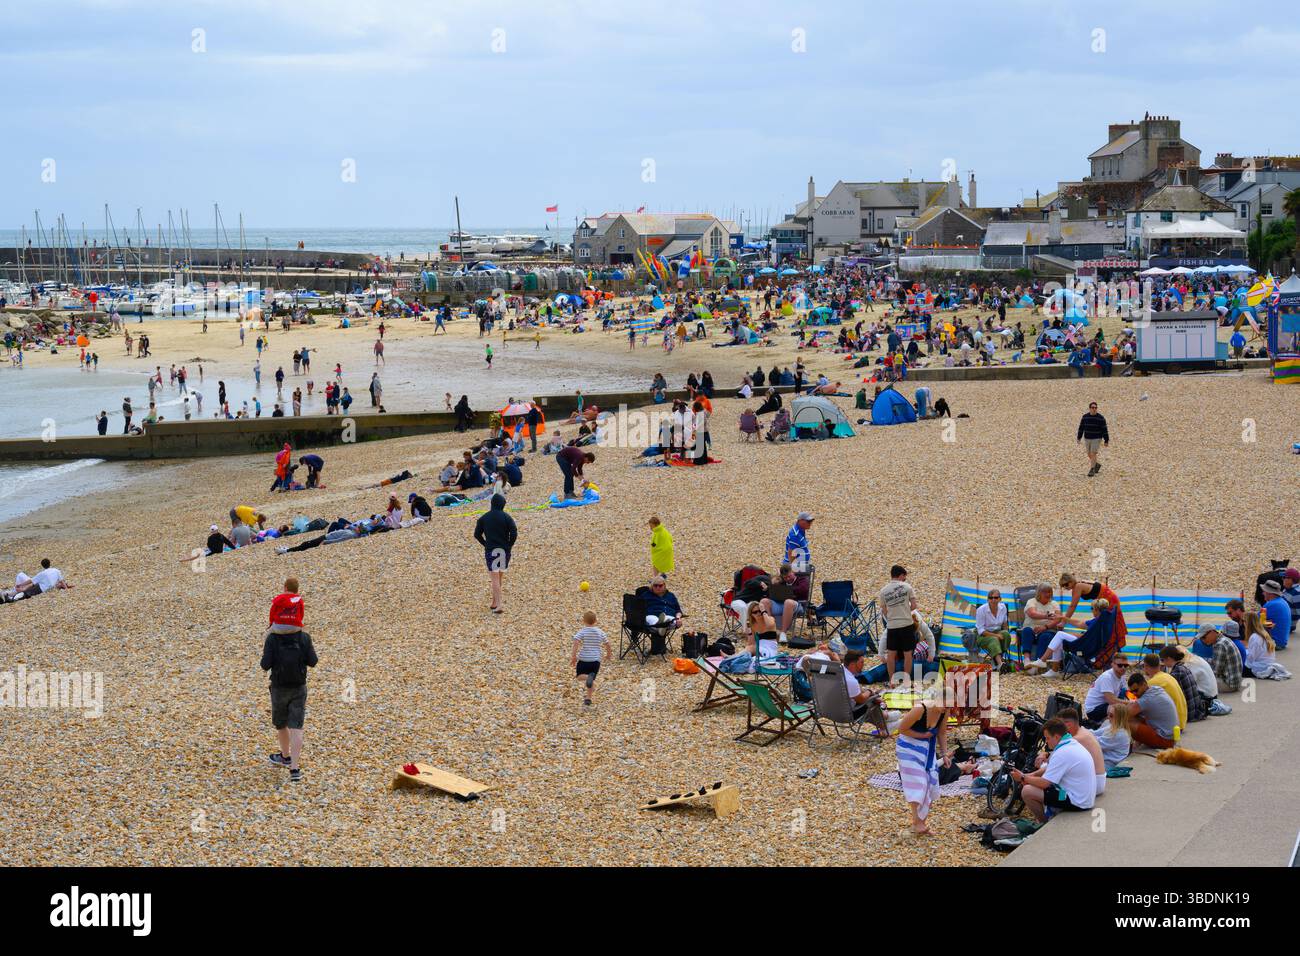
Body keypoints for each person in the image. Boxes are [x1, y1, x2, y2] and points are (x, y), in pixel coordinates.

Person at [260, 615, 318, 784]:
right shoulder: (304, 637)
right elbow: (313, 661)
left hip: (279, 688)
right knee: (296, 726)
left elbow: (265, 665)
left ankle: (284, 756)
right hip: (299, 687)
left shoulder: (272, 638)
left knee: (281, 723)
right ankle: (294, 768)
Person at [1013, 717, 1097, 823]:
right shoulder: (1070, 743)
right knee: (1034, 782)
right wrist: (1031, 775)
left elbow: (1045, 784)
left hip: (1077, 801)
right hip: (1084, 797)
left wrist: (1023, 777)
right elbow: (1051, 767)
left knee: (1027, 791)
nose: (1046, 743)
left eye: (1047, 738)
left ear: (1056, 737)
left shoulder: (1062, 753)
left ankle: (1043, 823)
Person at [895, 690, 949, 835]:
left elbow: (942, 732)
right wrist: (922, 735)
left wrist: (944, 755)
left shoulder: (944, 710)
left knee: (930, 782)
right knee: (919, 783)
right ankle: (917, 822)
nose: (947, 707)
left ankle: (921, 823)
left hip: (927, 748)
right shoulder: (920, 709)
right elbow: (901, 729)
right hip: (908, 747)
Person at [1058, 572, 1127, 667]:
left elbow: (1072, 606)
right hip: (1109, 598)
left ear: (1071, 581)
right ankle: (1111, 659)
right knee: (1111, 629)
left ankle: (1108, 659)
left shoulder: (1078, 586)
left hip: (1108, 601)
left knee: (1112, 631)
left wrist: (1063, 622)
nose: (1066, 587)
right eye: (1063, 586)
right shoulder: (1081, 582)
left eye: (1066, 585)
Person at [473, 493, 517, 614]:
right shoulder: (507, 517)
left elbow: (477, 535)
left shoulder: (483, 518)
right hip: (504, 551)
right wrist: (509, 545)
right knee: (499, 578)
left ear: (491, 504)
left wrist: (485, 544)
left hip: (492, 550)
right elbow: (514, 533)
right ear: (503, 505)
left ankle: (499, 604)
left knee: (495, 579)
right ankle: (494, 602)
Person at [1165, 642, 1231, 716]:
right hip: (1213, 695)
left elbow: (1185, 685)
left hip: (1206, 698)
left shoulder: (1187, 665)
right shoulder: (1196, 659)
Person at [1056, 707, 1107, 796]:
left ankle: (1057, 805)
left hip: (1095, 783)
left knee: (1056, 776)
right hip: (1098, 779)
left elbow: (1056, 760)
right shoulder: (1083, 731)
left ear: (1068, 724)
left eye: (1060, 725)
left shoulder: (1077, 739)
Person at [879, 564, 918, 680]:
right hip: (906, 624)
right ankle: (906, 679)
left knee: (891, 654)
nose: (904, 580)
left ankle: (892, 680)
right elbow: (914, 605)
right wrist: (905, 611)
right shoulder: (907, 587)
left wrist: (892, 616)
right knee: (907, 654)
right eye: (904, 577)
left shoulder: (883, 591)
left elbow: (884, 610)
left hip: (892, 625)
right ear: (901, 575)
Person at [1125, 672, 1178, 749]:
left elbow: (1123, 715)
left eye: (1136, 690)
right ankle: (1136, 745)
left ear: (1144, 684)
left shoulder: (1146, 699)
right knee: (1137, 717)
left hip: (1166, 740)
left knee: (1125, 723)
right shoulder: (1156, 689)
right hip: (1172, 736)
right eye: (1131, 692)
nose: (1134, 694)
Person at [1020, 583, 1067, 670]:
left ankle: (1037, 663)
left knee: (1045, 636)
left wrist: (1045, 627)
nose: (1048, 594)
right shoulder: (1031, 601)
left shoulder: (1054, 604)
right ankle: (1027, 660)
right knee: (1026, 631)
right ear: (1039, 593)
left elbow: (1058, 619)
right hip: (1031, 628)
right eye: (1045, 592)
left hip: (1048, 629)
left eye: (1049, 592)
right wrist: (1047, 616)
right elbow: (1032, 613)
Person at [571, 610, 611, 707]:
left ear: (583, 621)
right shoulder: (600, 632)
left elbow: (576, 642)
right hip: (595, 660)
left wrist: (573, 656)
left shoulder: (582, 631)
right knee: (591, 680)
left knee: (580, 676)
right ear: (596, 621)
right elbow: (607, 643)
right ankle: (588, 698)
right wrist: (608, 654)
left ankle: (588, 678)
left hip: (584, 659)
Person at [1158, 645, 1207, 722]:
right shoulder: (1183, 667)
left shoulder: (1176, 672)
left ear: (1169, 659)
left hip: (1188, 713)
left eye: (1162, 660)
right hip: (1197, 711)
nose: (1162, 663)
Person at [1141, 652, 1187, 732]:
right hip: (1182, 721)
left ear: (1146, 666)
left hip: (1174, 726)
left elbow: (1141, 705)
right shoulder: (1167, 676)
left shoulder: (1152, 683)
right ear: (1160, 665)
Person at [1193, 624, 1243, 695]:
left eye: (1204, 637)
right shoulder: (1223, 639)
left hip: (1229, 684)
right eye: (1201, 638)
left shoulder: (1220, 645)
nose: (1202, 640)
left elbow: (1215, 672)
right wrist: (1199, 660)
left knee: (1197, 681)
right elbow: (1216, 661)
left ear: (1212, 632)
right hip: (1234, 681)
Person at [1242, 610, 1292, 680]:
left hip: (1259, 667)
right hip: (1267, 664)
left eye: (1244, 621)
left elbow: (1251, 659)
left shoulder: (1254, 637)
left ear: (1247, 623)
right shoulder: (1264, 634)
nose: (1243, 623)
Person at [1083, 653, 1129, 725]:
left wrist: (1138, 700)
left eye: (1126, 665)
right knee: (1119, 709)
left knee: (1124, 692)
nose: (1123, 668)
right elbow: (1112, 701)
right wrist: (1131, 703)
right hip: (1094, 710)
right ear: (1112, 664)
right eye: (1120, 665)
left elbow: (1127, 692)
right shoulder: (1107, 677)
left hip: (1106, 703)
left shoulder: (1121, 674)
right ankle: (1107, 724)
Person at [972, 589, 1011, 667]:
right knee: (994, 639)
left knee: (1006, 635)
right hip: (982, 635)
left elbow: (1005, 623)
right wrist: (996, 635)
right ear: (987, 599)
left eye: (996, 598)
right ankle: (1000, 664)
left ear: (1000, 599)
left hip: (997, 631)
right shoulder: (981, 610)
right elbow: (981, 631)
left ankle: (997, 657)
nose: (993, 600)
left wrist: (1005, 632)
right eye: (990, 598)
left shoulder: (1003, 607)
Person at [1076, 401, 1110, 477]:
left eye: (1095, 408)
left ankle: (1092, 469)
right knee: (1089, 454)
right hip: (1087, 438)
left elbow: (1104, 429)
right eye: (1092, 407)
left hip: (1097, 438)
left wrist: (1106, 440)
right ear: (1089, 408)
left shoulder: (1101, 418)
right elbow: (1081, 428)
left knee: (1093, 453)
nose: (1094, 409)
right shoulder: (1085, 417)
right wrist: (1079, 437)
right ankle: (1096, 465)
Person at [1095, 703, 1133, 769]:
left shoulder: (1119, 733)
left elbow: (1096, 743)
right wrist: (1080, 730)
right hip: (1105, 761)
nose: (1108, 717)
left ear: (1119, 718)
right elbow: (1095, 733)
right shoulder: (1112, 726)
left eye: (1111, 715)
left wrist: (1081, 734)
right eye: (1108, 714)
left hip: (1110, 765)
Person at [1260, 579, 1291, 650]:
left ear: (1269, 593)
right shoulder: (1283, 602)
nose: (1263, 593)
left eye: (1264, 591)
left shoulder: (1271, 604)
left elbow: (1253, 620)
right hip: (1282, 641)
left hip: (1275, 643)